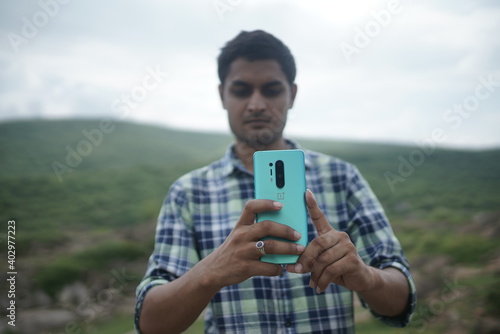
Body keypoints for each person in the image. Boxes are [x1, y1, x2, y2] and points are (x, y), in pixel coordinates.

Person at [135, 30, 416, 334]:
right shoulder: (188, 193)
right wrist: (211, 271)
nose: (256, 104)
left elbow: (401, 300)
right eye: (241, 90)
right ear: (222, 95)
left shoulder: (342, 177)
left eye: (271, 90)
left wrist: (366, 276)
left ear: (292, 94)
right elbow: (150, 325)